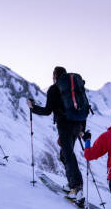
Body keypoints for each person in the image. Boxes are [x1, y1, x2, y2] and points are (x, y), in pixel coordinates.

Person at [27, 66, 85, 201]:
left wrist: (33, 108)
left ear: (54, 76)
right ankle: (72, 185)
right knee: (65, 154)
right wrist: (82, 128)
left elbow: (47, 111)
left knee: (68, 154)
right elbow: (83, 107)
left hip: (64, 125)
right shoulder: (75, 88)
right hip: (77, 124)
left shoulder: (54, 89)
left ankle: (77, 188)